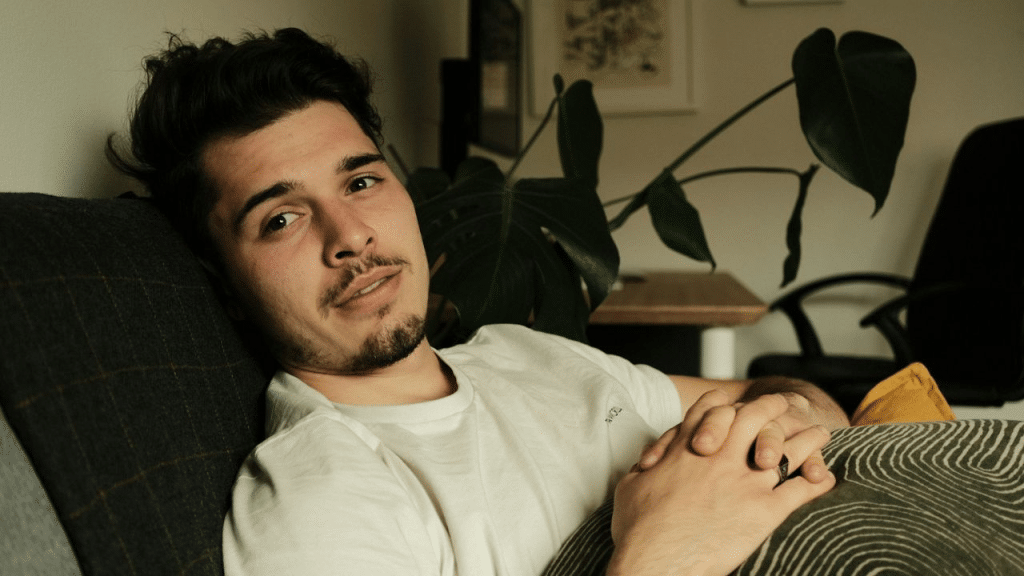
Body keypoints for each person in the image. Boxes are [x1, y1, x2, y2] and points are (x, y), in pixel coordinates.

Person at [108, 27, 848, 576]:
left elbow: (774, 393)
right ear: (226, 289)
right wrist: (665, 549)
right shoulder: (325, 494)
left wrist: (794, 417)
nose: (351, 235)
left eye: (361, 181)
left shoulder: (524, 354)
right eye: (281, 218)